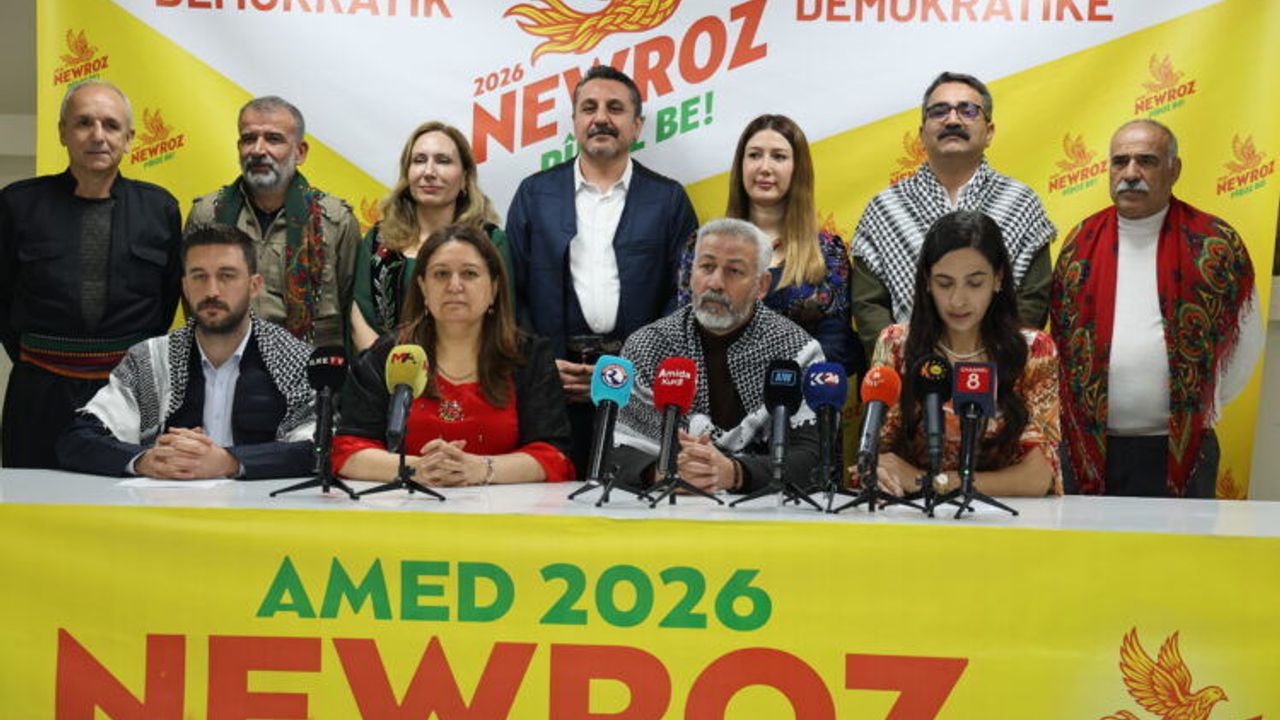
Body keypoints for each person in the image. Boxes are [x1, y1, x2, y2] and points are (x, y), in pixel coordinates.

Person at [1051, 119, 1262, 498]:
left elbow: (1245, 342)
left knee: (1182, 540)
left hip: (1182, 452)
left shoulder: (1214, 243)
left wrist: (1197, 406)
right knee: (1087, 540)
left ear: (1174, 169)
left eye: (1146, 161)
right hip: (1089, 451)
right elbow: (1062, 343)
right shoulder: (1079, 242)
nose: (1131, 174)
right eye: (1120, 162)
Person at [506, 64, 698, 474]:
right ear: (575, 121)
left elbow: (682, 298)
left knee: (633, 497)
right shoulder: (534, 195)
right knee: (548, 499)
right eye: (589, 108)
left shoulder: (668, 200)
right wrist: (542, 366)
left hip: (639, 396)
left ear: (637, 125)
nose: (601, 118)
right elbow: (511, 293)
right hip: (552, 390)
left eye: (615, 108)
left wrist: (633, 366)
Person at [0, 80, 182, 469]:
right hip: (40, 389)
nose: (98, 136)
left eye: (111, 125)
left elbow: (166, 302)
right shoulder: (18, 204)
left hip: (128, 390)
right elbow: (3, 299)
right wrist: (49, 355)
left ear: (129, 139)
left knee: (130, 495)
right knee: (33, 498)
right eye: (84, 123)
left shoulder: (160, 209)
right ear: (62, 132)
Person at [58, 225, 316, 479]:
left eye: (227, 276)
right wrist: (146, 461)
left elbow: (319, 449)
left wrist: (229, 462)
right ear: (185, 286)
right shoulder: (151, 360)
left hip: (262, 505)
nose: (212, 291)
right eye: (199, 276)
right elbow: (78, 440)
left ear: (254, 285)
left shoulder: (298, 361)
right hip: (166, 504)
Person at [333, 224, 573, 485]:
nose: (454, 286)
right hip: (409, 504)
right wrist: (418, 469)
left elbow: (554, 457)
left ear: (494, 288)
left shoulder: (528, 356)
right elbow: (347, 452)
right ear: (423, 287)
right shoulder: (390, 355)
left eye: (470, 274)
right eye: (441, 274)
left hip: (504, 507)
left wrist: (481, 469)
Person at [851, 71, 1056, 361]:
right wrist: (902, 361)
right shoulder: (884, 209)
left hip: (999, 372)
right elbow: (869, 306)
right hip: (910, 372)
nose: (952, 120)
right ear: (922, 134)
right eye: (939, 111)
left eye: (967, 110)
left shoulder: (1022, 203)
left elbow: (1033, 300)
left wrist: (993, 357)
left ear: (989, 131)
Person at [613, 218, 823, 494]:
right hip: (667, 510)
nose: (715, 283)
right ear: (690, 273)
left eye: (734, 271)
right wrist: (664, 472)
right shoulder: (648, 345)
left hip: (764, 514)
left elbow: (812, 460)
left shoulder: (796, 352)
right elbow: (613, 451)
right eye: (706, 267)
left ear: (761, 285)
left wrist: (734, 473)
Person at [872, 210, 1061, 498]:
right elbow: (879, 458)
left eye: (974, 283)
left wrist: (936, 482)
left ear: (998, 279)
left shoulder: (1034, 350)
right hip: (912, 514)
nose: (958, 300)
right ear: (926, 281)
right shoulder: (896, 345)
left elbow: (1038, 477)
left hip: (1008, 516)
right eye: (944, 283)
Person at [678, 114, 864, 376]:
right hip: (717, 393)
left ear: (797, 169)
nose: (764, 167)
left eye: (778, 157)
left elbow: (836, 346)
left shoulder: (827, 252)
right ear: (740, 165)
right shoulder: (701, 246)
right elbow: (686, 336)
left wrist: (776, 377)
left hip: (797, 394)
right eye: (754, 155)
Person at [186, 96, 359, 348]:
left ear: (300, 152)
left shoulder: (335, 222)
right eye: (249, 139)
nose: (258, 150)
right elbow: (193, 301)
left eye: (273, 139)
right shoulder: (207, 215)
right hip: (225, 361)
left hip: (308, 365)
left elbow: (351, 312)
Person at [350, 121, 515, 352]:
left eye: (443, 161)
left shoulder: (490, 241)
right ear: (407, 174)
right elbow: (359, 319)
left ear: (465, 177)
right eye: (419, 160)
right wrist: (391, 369)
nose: (429, 172)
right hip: (383, 370)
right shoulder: (380, 240)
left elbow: (502, 323)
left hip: (469, 370)